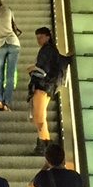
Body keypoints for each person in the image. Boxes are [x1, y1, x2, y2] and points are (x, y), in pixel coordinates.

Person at [26, 25, 69, 154]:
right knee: (39, 116)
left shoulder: (47, 50)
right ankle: (45, 143)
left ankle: (44, 144)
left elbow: (42, 69)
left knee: (38, 117)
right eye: (37, 38)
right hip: (48, 86)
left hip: (42, 86)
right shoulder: (52, 50)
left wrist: (32, 69)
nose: (38, 40)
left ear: (48, 37)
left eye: (41, 37)